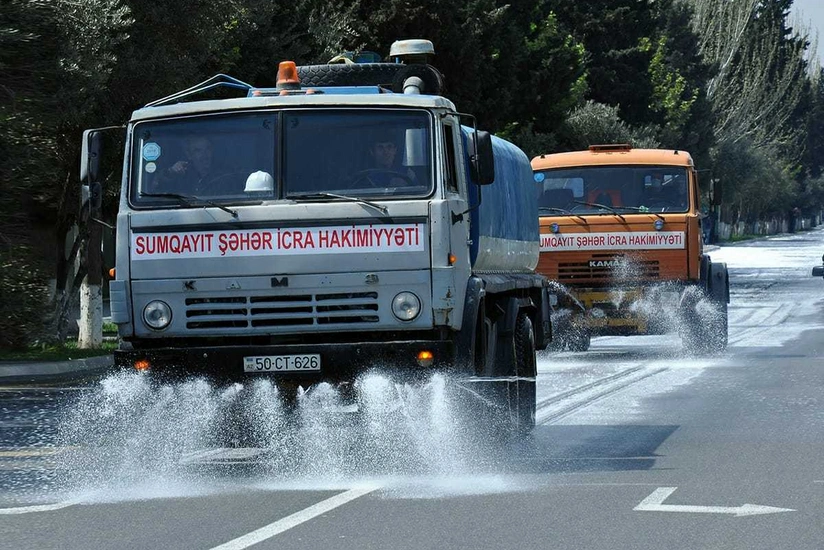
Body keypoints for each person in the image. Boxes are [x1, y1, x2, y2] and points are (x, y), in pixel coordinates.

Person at [156, 136, 223, 195]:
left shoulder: (224, 175)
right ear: (189, 155)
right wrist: (170, 172)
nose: (205, 155)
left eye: (208, 149)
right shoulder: (182, 175)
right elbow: (155, 188)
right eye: (198, 150)